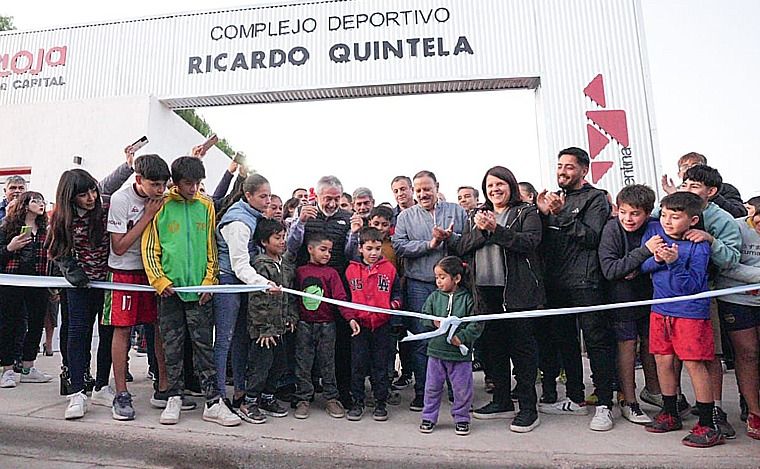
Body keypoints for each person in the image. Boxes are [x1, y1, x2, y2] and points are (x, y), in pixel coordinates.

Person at [142, 156, 240, 427]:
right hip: (169, 292)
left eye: (198, 183)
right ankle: (174, 396)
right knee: (172, 347)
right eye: (188, 183)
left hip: (200, 292)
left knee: (203, 348)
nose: (193, 188)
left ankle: (213, 402)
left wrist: (209, 281)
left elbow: (211, 247)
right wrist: (159, 281)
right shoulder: (160, 206)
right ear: (175, 182)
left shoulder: (206, 205)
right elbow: (150, 247)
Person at [449, 166, 544, 433]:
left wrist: (496, 230)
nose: (495, 190)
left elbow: (530, 242)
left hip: (516, 293)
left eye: (500, 184)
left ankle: (528, 408)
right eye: (490, 186)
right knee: (494, 349)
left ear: (511, 185)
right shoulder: (476, 215)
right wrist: (482, 230)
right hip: (485, 292)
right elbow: (462, 247)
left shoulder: (526, 212)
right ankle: (501, 401)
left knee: (522, 352)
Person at [46, 153, 134, 419]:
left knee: (108, 334)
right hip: (80, 286)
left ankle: (101, 385)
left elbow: (114, 184)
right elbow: (57, 251)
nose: (91, 198)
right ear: (70, 196)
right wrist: (74, 275)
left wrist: (128, 165)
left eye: (92, 191)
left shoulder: (106, 208)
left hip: (108, 281)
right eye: (84, 194)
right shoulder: (61, 218)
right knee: (77, 335)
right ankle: (76, 392)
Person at [535, 147, 616, 432]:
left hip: (586, 282)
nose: (562, 171)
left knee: (596, 341)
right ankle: (575, 398)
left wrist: (562, 216)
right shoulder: (554, 200)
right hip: (555, 283)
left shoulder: (596, 198)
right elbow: (541, 241)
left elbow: (592, 238)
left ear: (583, 170)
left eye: (569, 166)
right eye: (559, 165)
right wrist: (543, 215)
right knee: (564, 341)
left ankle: (605, 403)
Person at [641, 192, 723, 448]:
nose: (667, 221)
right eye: (665, 215)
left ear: (693, 219)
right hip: (660, 309)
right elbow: (643, 267)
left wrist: (675, 263)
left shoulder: (699, 246)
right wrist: (655, 259)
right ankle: (669, 412)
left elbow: (693, 286)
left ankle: (709, 424)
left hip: (690, 312)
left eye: (675, 217)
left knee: (694, 364)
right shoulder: (654, 233)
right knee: (662, 361)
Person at [104, 154, 172, 421]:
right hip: (124, 273)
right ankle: (121, 393)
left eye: (164, 185)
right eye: (155, 184)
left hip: (154, 272)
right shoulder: (121, 200)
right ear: (139, 179)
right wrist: (148, 216)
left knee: (159, 328)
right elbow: (119, 248)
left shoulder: (165, 199)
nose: (160, 190)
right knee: (122, 330)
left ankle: (164, 387)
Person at [392, 170, 467, 412]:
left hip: (454, 288)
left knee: (455, 336)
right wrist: (430, 244)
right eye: (419, 190)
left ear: (437, 187)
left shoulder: (456, 211)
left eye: (428, 188)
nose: (423, 194)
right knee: (422, 338)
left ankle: (457, 391)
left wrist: (450, 238)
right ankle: (423, 391)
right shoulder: (405, 216)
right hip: (419, 284)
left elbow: (468, 241)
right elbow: (400, 246)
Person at [287, 175, 354, 408]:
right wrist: (301, 222)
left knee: (338, 345)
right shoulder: (305, 215)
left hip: (337, 286)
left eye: (337, 199)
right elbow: (291, 248)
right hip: (307, 289)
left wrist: (355, 233)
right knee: (303, 349)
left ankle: (338, 394)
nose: (333, 204)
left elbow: (352, 254)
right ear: (317, 196)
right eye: (328, 198)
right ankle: (303, 394)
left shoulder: (347, 219)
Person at [598, 184, 661, 425]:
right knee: (627, 346)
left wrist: (637, 266)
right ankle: (628, 401)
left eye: (635, 213)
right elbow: (611, 269)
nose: (628, 218)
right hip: (621, 299)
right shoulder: (612, 229)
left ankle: (654, 392)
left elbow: (664, 255)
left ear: (647, 212)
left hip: (651, 297)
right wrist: (643, 253)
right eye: (623, 211)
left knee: (651, 345)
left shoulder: (656, 226)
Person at [213, 174, 277, 409]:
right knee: (224, 340)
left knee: (241, 338)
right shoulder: (238, 222)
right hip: (228, 281)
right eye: (263, 196)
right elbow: (239, 264)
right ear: (248, 195)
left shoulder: (253, 216)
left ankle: (240, 390)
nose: (267, 200)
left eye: (269, 195)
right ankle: (218, 395)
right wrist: (264, 283)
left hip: (244, 282)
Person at [292, 232, 358, 419]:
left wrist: (350, 318)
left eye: (330, 251)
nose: (327, 254)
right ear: (310, 249)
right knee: (303, 363)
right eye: (323, 250)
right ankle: (303, 398)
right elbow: (293, 298)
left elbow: (340, 299)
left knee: (328, 362)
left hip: (327, 325)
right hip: (304, 324)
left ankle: (331, 398)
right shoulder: (300, 272)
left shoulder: (332, 273)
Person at [238, 219, 298, 424]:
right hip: (263, 331)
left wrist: (291, 317)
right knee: (260, 366)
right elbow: (257, 301)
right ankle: (249, 401)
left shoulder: (285, 265)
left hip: (280, 328)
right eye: (277, 238)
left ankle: (268, 397)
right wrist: (264, 329)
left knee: (278, 365)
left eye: (284, 237)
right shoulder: (260, 266)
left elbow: (289, 297)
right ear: (264, 241)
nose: (282, 242)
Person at [418, 256, 482, 436]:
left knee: (462, 389)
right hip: (436, 353)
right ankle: (428, 417)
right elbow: (423, 317)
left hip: (459, 356)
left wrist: (461, 337)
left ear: (457, 278)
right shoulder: (433, 297)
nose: (438, 281)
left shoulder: (468, 299)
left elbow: (476, 324)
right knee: (432, 387)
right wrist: (434, 322)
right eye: (436, 277)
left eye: (442, 277)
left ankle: (462, 418)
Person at [344, 227, 402, 422]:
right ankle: (357, 402)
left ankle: (380, 403)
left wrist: (391, 306)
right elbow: (344, 299)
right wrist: (351, 318)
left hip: (382, 325)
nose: (374, 253)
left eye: (377, 248)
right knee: (358, 365)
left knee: (381, 366)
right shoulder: (351, 270)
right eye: (369, 248)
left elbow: (398, 295)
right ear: (360, 248)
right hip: (359, 326)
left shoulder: (390, 269)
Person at [715, 197, 760, 439]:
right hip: (737, 299)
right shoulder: (736, 226)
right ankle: (754, 411)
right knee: (748, 353)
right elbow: (727, 264)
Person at [0, 191, 53, 388]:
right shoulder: (7, 228)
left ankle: (28, 366)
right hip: (12, 281)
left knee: (36, 322)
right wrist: (10, 248)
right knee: (9, 324)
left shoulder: (45, 230)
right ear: (25, 204)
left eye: (42, 200)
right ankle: (7, 369)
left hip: (38, 281)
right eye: (35, 200)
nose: (40, 204)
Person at [661, 152, 746, 218]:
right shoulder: (675, 191)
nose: (690, 169)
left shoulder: (726, 188)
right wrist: (675, 197)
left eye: (695, 165)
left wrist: (708, 195)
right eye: (685, 166)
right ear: (679, 174)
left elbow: (739, 213)